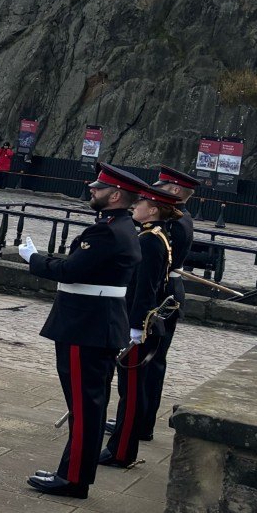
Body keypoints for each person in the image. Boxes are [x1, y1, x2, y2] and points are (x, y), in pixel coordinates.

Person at [15, 163, 146, 498]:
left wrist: (33, 259)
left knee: (84, 405)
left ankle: (73, 478)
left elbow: (71, 270)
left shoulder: (107, 231)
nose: (92, 191)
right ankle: (73, 472)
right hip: (96, 322)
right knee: (89, 403)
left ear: (115, 195)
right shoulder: (121, 226)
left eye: (99, 188)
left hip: (85, 325)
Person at [115, 166, 199, 445]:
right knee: (150, 363)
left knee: (150, 363)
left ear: (174, 191)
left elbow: (155, 268)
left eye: (159, 188)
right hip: (166, 290)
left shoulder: (172, 224)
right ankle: (137, 418)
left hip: (163, 294)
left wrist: (140, 320)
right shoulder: (181, 218)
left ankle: (140, 422)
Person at [101, 181, 181, 467]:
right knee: (130, 390)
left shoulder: (149, 240)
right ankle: (122, 448)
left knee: (130, 392)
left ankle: (122, 451)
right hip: (140, 322)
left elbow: (145, 289)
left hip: (139, 325)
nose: (135, 206)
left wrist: (134, 327)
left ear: (153, 210)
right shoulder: (156, 235)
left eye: (141, 204)